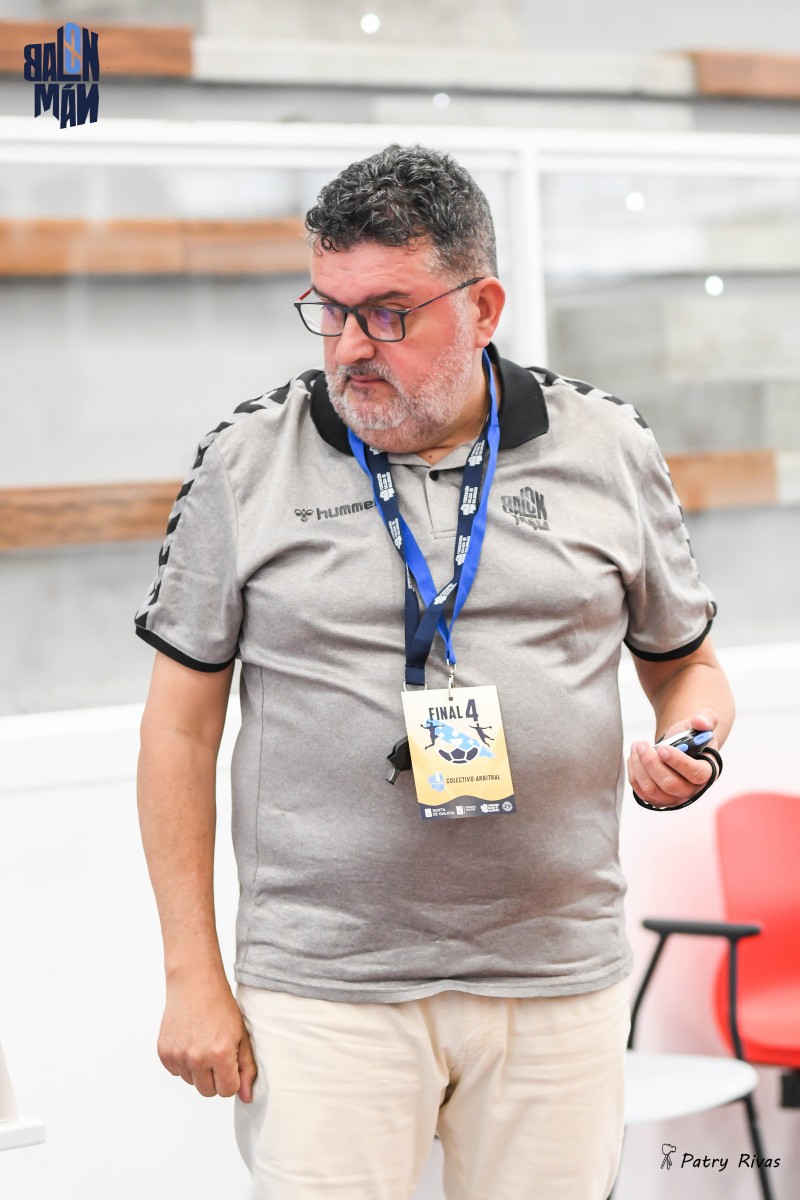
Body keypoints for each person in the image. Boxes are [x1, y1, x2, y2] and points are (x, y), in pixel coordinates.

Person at [135, 143, 734, 1200]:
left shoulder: (606, 445)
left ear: (483, 306)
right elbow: (178, 732)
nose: (350, 347)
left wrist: (691, 745)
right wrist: (192, 975)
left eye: (388, 313)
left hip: (556, 976)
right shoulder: (248, 460)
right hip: (327, 989)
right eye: (328, 310)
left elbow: (688, 669)